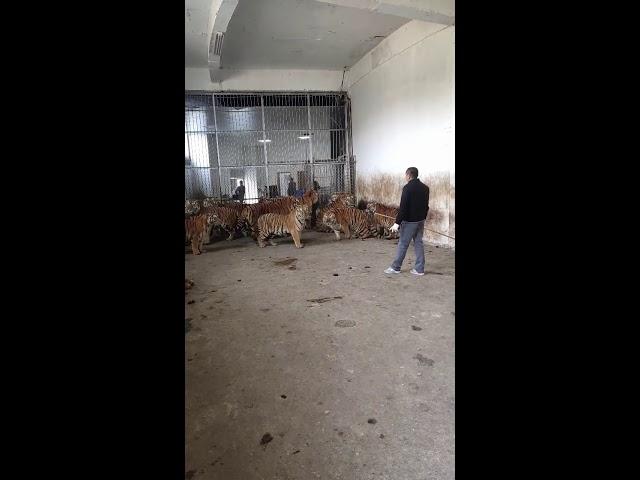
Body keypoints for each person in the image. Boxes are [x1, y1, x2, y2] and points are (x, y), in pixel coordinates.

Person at [384, 167, 430, 276]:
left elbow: (403, 207)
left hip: (409, 222)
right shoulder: (425, 188)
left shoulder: (407, 188)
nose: (405, 177)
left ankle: (395, 267)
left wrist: (397, 223)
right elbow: (426, 206)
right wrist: (423, 218)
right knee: (418, 243)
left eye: (406, 175)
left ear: (408, 175)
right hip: (420, 221)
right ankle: (419, 269)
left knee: (403, 244)